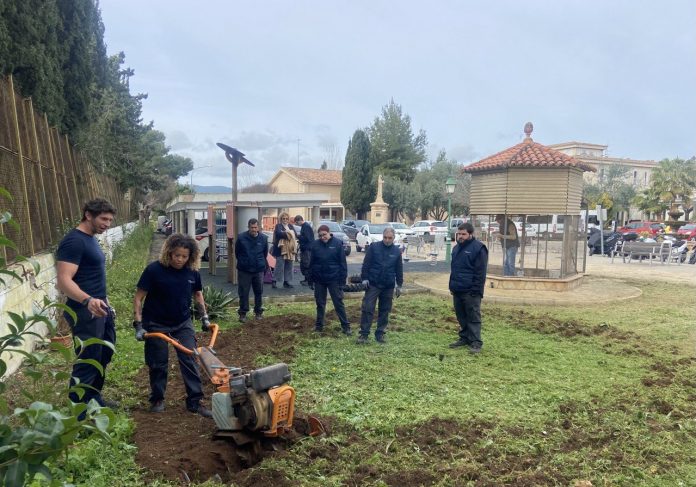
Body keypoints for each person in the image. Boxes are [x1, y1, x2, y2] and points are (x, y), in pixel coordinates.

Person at [132, 233, 213, 418]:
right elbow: (138, 297)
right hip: (156, 324)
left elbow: (198, 295)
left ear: (190, 256)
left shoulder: (192, 272)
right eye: (177, 255)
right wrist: (138, 324)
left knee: (190, 359)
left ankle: (195, 401)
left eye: (184, 256)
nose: (180, 260)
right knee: (158, 363)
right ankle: (157, 399)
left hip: (182, 323)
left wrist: (204, 317)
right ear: (169, 253)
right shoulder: (154, 270)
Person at [56, 198, 117, 410]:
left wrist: (104, 300)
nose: (107, 224)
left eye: (110, 220)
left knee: (104, 354)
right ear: (88, 215)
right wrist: (87, 300)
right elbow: (64, 280)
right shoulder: (74, 241)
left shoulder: (90, 238)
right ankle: (78, 413)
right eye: (103, 218)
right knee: (87, 360)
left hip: (100, 308)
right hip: (84, 310)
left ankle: (93, 398)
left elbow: (91, 276)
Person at [356, 227, 403, 344]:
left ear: (394, 238)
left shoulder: (397, 252)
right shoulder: (374, 247)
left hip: (388, 285)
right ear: (382, 237)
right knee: (367, 308)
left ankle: (380, 334)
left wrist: (399, 285)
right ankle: (364, 334)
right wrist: (364, 278)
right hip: (373, 284)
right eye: (385, 237)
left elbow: (399, 269)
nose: (387, 240)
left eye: (390, 238)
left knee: (385, 310)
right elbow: (366, 264)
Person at [448, 223, 488, 354]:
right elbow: (455, 269)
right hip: (457, 289)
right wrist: (452, 286)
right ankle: (465, 337)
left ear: (470, 234)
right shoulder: (456, 249)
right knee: (461, 316)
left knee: (473, 317)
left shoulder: (479, 248)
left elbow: (480, 273)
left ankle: (476, 342)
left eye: (463, 234)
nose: (460, 236)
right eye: (459, 234)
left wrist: (475, 291)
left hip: (471, 291)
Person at [308, 224, 351, 334]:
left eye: (324, 235)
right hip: (319, 279)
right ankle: (319, 327)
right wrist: (310, 278)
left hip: (334, 279)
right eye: (320, 235)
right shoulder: (315, 245)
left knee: (338, 303)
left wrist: (342, 280)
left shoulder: (337, 244)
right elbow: (312, 263)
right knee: (320, 304)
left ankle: (346, 327)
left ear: (329, 233)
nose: (323, 237)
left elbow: (342, 263)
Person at [235, 218, 268, 322]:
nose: (254, 230)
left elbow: (265, 253)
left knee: (259, 291)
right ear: (248, 227)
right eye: (252, 227)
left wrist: (260, 263)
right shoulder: (241, 238)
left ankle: (258, 312)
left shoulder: (263, 238)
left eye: (255, 227)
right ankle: (243, 313)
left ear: (258, 227)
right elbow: (237, 252)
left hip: (258, 270)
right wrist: (244, 262)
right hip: (244, 270)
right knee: (243, 292)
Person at [271, 212, 297, 288]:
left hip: (290, 250)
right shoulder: (278, 226)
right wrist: (289, 234)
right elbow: (279, 234)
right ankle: (274, 281)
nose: (285, 220)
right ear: (281, 219)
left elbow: (294, 234)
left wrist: (286, 233)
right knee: (279, 266)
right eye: (283, 218)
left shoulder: (290, 226)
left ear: (288, 219)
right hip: (280, 250)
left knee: (289, 266)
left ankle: (286, 281)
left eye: (286, 218)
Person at [294, 215, 314, 286]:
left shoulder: (306, 226)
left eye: (296, 222)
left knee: (306, 264)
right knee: (304, 264)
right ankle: (306, 279)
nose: (297, 224)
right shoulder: (305, 226)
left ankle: (309, 280)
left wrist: (299, 237)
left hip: (307, 249)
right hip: (305, 248)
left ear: (300, 220)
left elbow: (307, 238)